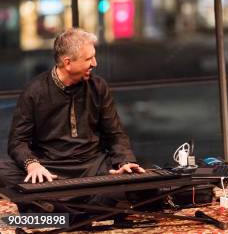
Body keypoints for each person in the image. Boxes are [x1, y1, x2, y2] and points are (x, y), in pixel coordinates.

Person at [0, 28, 144, 210]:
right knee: (3, 171)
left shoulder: (98, 87)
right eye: (89, 59)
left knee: (138, 178)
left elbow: (115, 134)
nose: (95, 63)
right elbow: (17, 141)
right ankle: (94, 206)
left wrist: (125, 162)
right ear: (68, 63)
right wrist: (33, 165)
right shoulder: (35, 91)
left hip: (92, 166)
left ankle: (56, 207)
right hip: (51, 170)